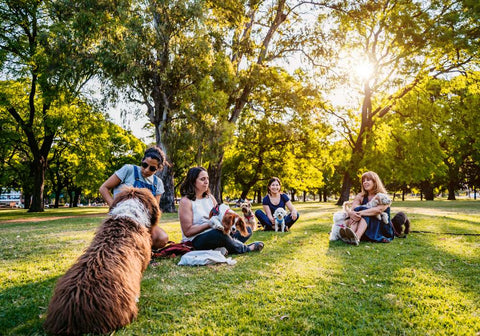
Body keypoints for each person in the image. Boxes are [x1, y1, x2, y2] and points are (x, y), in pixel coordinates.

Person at [178, 167, 264, 254]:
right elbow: (187, 232)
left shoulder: (210, 197)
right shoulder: (186, 201)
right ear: (193, 181)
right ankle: (246, 248)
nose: (206, 181)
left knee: (247, 229)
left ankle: (223, 247)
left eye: (207, 178)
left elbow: (219, 215)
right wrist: (209, 224)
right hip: (197, 239)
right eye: (202, 179)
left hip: (217, 232)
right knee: (219, 235)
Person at [99, 146, 169, 249]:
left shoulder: (158, 183)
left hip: (143, 221)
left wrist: (147, 229)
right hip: (123, 216)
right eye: (144, 165)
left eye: (152, 168)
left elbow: (154, 210)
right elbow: (103, 188)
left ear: (158, 169)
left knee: (162, 238)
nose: (146, 170)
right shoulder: (128, 170)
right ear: (142, 160)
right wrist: (114, 207)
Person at [341, 171, 394, 245]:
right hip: (364, 227)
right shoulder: (360, 196)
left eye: (368, 180)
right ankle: (351, 234)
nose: (365, 182)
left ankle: (357, 237)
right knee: (358, 210)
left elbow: (378, 210)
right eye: (363, 181)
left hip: (380, 228)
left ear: (375, 182)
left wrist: (360, 213)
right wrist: (352, 213)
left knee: (364, 211)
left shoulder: (383, 196)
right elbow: (353, 210)